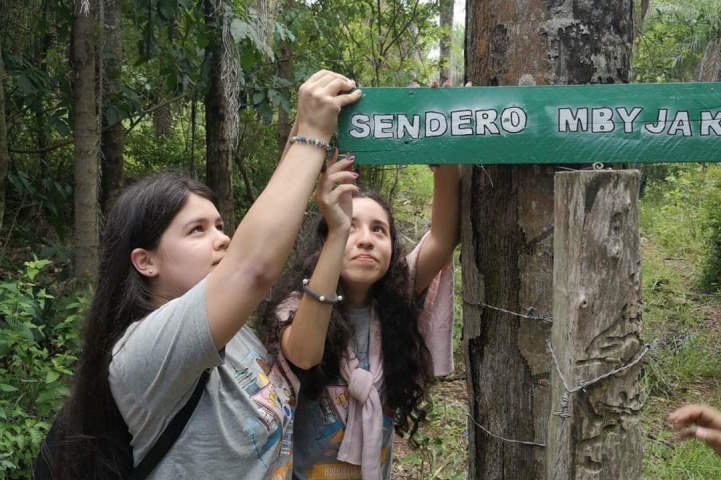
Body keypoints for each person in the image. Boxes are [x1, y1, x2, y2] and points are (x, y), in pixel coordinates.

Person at [49, 70, 362, 480]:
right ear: (146, 261)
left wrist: (306, 128)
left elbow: (262, 228)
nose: (223, 240)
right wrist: (312, 137)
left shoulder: (225, 332)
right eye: (197, 230)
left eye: (220, 225)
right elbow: (252, 266)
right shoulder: (147, 350)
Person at [260, 157, 461, 479]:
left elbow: (442, 238)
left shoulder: (394, 303)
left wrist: (445, 156)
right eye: (348, 227)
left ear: (392, 251)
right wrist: (337, 232)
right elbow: (304, 354)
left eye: (378, 230)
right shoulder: (295, 309)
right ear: (325, 244)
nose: (366, 239)